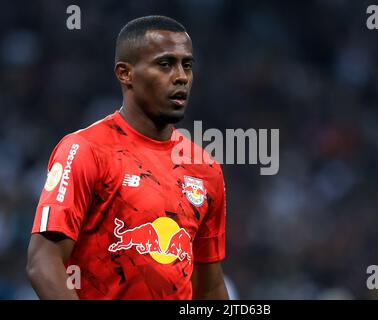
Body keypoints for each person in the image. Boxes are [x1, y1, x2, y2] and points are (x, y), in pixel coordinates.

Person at [26, 15, 229, 300]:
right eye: (165, 64)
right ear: (125, 73)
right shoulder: (85, 150)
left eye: (187, 65)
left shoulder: (205, 169)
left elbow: (209, 287)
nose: (181, 76)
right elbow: (43, 264)